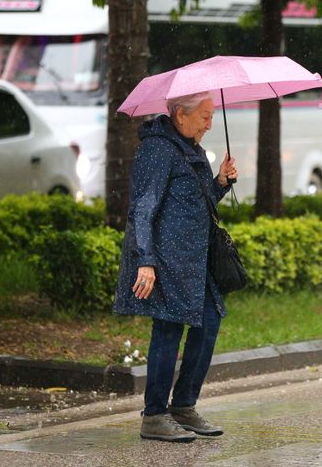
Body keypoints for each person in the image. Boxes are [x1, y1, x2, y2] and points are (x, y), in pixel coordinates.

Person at [113, 91, 238, 443]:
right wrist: (146, 261)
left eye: (211, 116)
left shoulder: (192, 149)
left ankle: (183, 406)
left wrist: (220, 183)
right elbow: (143, 208)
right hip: (166, 259)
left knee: (209, 323)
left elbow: (196, 203)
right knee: (168, 332)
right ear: (181, 115)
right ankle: (154, 415)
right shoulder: (157, 149)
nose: (209, 123)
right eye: (204, 116)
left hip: (195, 262)